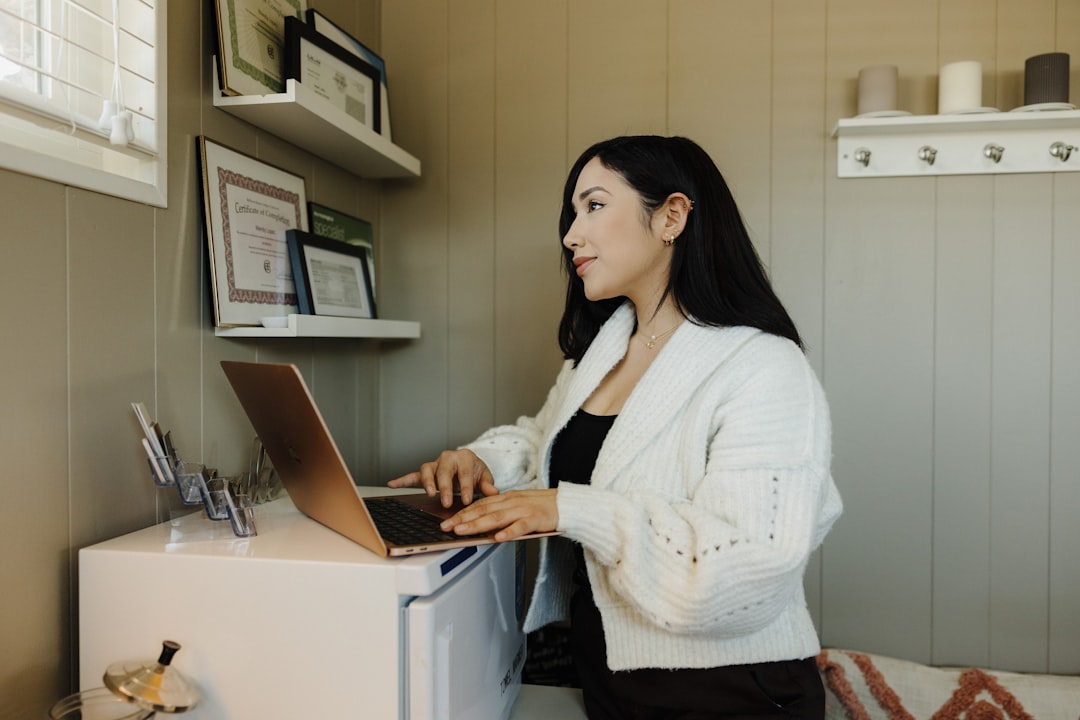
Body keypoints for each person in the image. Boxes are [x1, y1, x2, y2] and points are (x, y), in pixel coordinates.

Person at [389, 135, 843, 719]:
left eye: (594, 206)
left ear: (672, 216)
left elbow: (750, 570)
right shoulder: (601, 351)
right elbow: (545, 441)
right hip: (605, 678)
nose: (571, 236)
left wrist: (567, 509)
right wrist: (482, 463)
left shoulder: (766, 368)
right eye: (571, 214)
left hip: (729, 694)